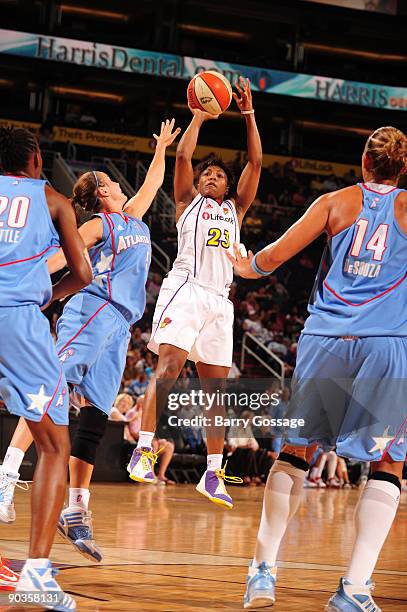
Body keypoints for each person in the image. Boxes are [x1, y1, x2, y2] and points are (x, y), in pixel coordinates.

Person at [228, 126, 407, 611]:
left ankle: (262, 572)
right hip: (385, 345)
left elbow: (275, 256)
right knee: (386, 462)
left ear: (363, 161)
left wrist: (246, 267)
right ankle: (353, 589)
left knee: (297, 451)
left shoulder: (334, 202)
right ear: (403, 168)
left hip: (327, 338)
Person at [0, 119, 180, 562]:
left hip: (119, 325)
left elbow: (154, 181)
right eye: (113, 183)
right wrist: (24, 280)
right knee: (49, 390)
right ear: (102, 192)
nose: (122, 185)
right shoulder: (99, 224)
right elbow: (65, 254)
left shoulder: (131, 218)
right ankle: (5, 477)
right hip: (91, 311)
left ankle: (76, 509)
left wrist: (163, 148)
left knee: (97, 412)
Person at [128, 77, 262, 509]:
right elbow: (183, 154)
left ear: (227, 188)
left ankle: (211, 473)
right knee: (168, 367)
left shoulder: (235, 210)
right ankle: (144, 450)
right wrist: (199, 117)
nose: (211, 177)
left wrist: (249, 115)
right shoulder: (188, 202)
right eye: (208, 173)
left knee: (215, 396)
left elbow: (256, 165)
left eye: (219, 175)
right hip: (185, 289)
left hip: (220, 301)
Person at [0, 127, 92, 608]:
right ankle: (35, 573)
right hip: (16, 321)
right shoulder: (54, 199)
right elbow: (83, 273)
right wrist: (46, 300)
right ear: (35, 159)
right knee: (54, 445)